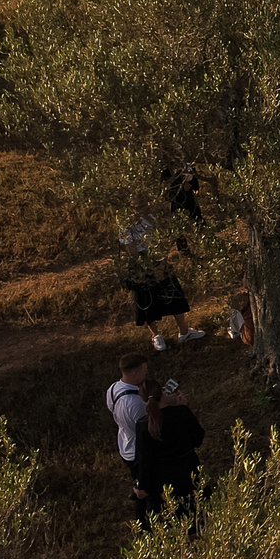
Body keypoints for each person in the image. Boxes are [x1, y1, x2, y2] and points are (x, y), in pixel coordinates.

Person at [118, 215, 204, 352]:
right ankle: (156, 335)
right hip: (142, 265)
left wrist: (162, 263)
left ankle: (184, 332)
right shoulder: (126, 225)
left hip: (158, 260)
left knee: (174, 294)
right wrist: (150, 269)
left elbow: (161, 240)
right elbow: (132, 251)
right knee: (147, 300)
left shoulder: (150, 217)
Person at [105, 354, 155, 528]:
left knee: (140, 483)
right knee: (146, 489)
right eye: (144, 369)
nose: (146, 372)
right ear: (135, 372)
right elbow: (147, 430)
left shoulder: (113, 389)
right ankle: (144, 524)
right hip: (138, 452)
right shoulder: (134, 403)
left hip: (125, 446)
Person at [156, 378, 207, 527]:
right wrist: (184, 407)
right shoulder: (181, 413)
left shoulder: (147, 423)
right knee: (199, 505)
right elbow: (198, 438)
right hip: (188, 466)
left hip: (165, 473)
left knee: (177, 512)